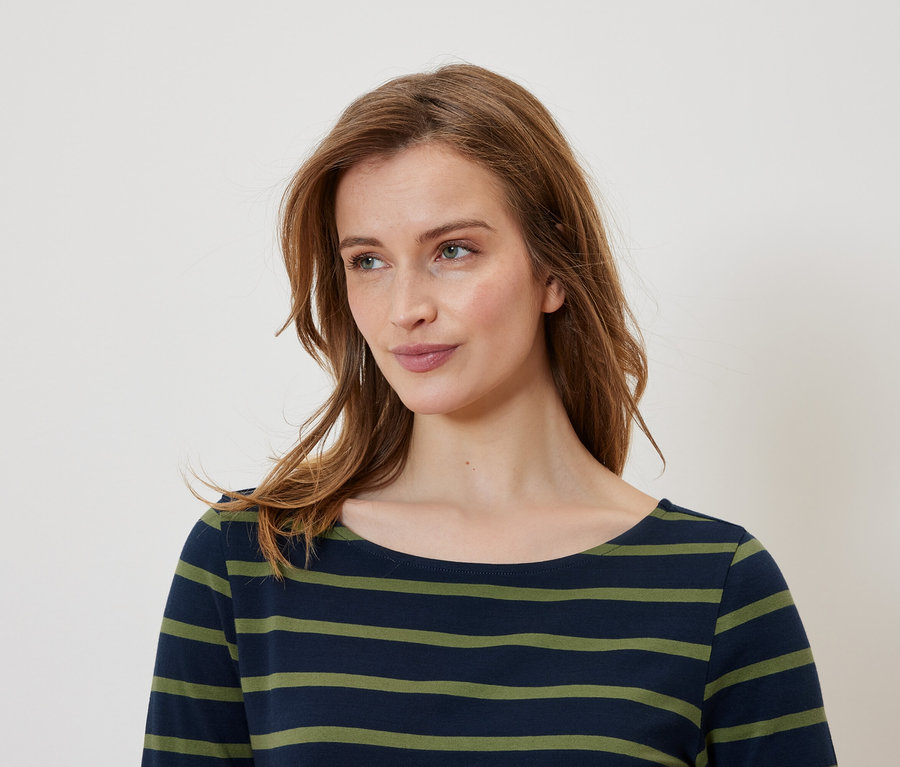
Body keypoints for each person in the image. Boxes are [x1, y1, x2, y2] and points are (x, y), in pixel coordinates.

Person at [142, 65, 837, 766]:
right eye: (368, 261)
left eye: (453, 251)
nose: (405, 308)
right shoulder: (247, 559)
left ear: (553, 268)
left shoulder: (715, 588)